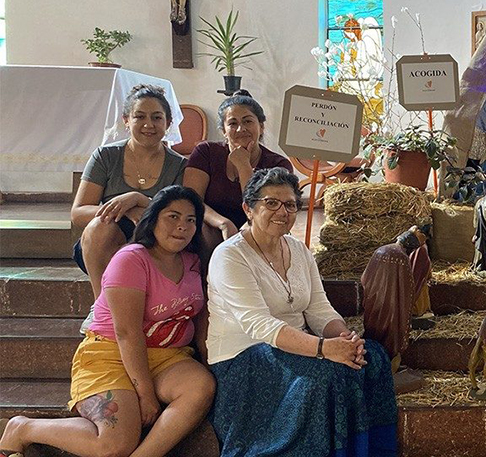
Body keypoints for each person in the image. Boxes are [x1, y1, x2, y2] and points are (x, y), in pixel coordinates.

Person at [1, 186, 215, 457]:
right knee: (115, 445)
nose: (182, 226)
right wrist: (146, 393)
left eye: (190, 220)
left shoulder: (193, 261)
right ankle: (23, 428)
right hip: (110, 353)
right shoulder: (131, 259)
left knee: (200, 387)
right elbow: (126, 332)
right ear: (154, 219)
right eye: (172, 216)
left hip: (167, 356)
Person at [206, 168, 397, 456]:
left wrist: (344, 340)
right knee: (323, 377)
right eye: (271, 203)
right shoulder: (230, 255)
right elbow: (259, 325)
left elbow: (319, 308)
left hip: (296, 348)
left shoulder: (298, 249)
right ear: (249, 208)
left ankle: (364, 451)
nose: (282, 211)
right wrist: (324, 349)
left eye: (291, 204)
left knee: (372, 357)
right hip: (244, 358)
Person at [72, 85, 187, 330]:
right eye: (139, 117)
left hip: (155, 238)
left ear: (167, 123)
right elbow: (79, 212)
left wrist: (140, 200)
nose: (149, 124)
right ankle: (102, 306)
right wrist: (123, 207)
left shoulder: (179, 165)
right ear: (126, 120)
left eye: (157, 117)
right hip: (106, 243)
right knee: (98, 228)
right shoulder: (106, 156)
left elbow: (180, 212)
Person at [183, 90, 292, 254]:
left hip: (258, 229)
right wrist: (223, 223)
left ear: (261, 127)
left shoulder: (278, 164)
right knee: (199, 228)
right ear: (224, 131)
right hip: (212, 226)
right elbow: (192, 200)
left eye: (248, 121)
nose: (241, 129)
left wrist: (243, 166)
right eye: (233, 123)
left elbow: (259, 210)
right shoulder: (206, 152)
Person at [362, 229, 416, 372]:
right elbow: (407, 286)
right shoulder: (402, 258)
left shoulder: (381, 250)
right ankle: (387, 369)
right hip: (393, 307)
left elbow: (365, 278)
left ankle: (375, 364)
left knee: (374, 330)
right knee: (391, 336)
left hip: (374, 301)